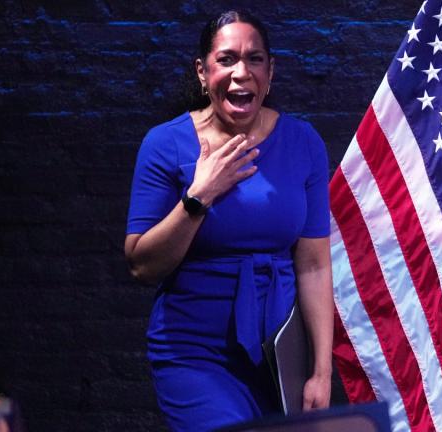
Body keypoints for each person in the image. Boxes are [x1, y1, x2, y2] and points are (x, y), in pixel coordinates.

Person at [124, 10, 333, 431]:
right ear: (203, 72)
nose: (242, 72)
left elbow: (313, 265)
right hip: (194, 353)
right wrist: (199, 196)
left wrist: (321, 369)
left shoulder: (302, 142)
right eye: (227, 59)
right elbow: (141, 265)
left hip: (279, 357)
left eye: (255, 59)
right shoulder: (165, 144)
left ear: (270, 72)